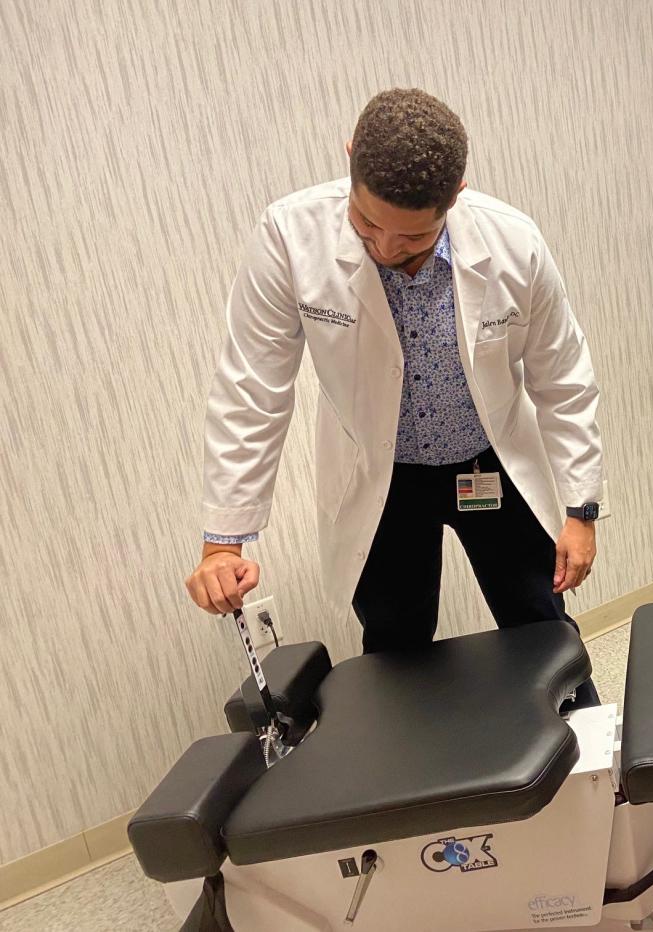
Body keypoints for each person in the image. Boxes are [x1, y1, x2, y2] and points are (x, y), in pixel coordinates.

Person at [184, 88, 606, 705]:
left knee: (539, 619)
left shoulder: (514, 243)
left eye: (410, 239)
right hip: (382, 474)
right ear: (350, 157)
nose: (384, 248)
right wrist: (223, 540)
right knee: (396, 642)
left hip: (489, 460)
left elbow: (564, 378)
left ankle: (587, 765)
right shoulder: (288, 237)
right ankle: (414, 791)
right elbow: (253, 387)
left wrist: (581, 509)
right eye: (367, 223)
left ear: (456, 195)